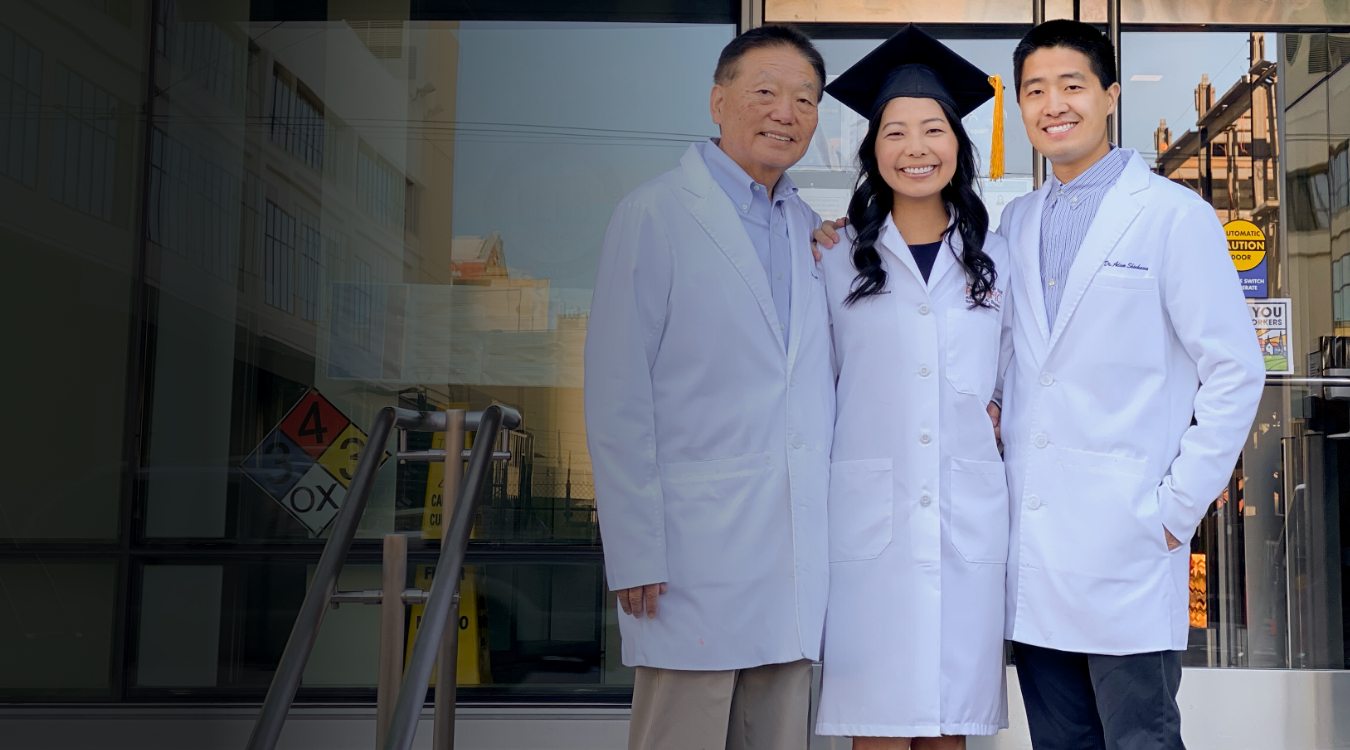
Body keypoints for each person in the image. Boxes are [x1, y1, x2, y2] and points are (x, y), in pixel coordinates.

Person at [997, 19, 1262, 750]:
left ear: (1111, 95)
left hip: (1130, 541)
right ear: (1020, 106)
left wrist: (1176, 509)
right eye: (1036, 90)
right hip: (1038, 552)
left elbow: (1236, 371)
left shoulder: (1174, 218)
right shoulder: (1014, 225)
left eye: (1072, 86)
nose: (1055, 104)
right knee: (1061, 743)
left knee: (1141, 739)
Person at [583, 25, 835, 750]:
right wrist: (636, 548)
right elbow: (616, 392)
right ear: (718, 102)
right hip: (691, 558)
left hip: (790, 559)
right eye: (766, 92)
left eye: (805, 99)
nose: (786, 112)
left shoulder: (810, 230)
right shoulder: (655, 214)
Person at [812, 25, 1013, 750]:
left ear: (958, 145)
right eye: (895, 132)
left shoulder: (997, 260)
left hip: (965, 517)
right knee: (877, 726)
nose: (916, 147)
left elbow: (1023, 373)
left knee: (949, 728)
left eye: (934, 129)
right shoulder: (835, 259)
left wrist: (997, 412)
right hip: (872, 526)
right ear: (873, 152)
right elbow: (817, 386)